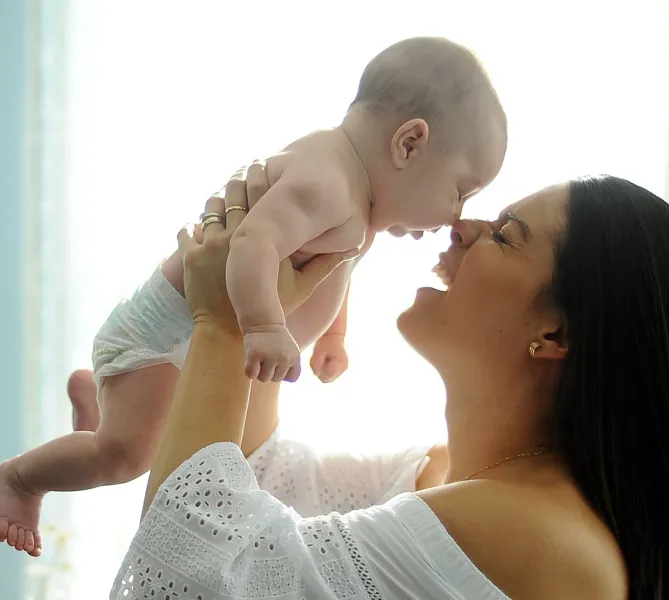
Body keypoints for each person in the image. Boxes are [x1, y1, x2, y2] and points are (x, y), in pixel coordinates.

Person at [111, 174, 669, 599]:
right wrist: (268, 311)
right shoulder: (450, 481)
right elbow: (264, 475)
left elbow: (183, 576)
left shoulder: (536, 535)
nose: (461, 227)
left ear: (557, 332)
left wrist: (223, 323)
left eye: (505, 235)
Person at [0, 36, 508, 554]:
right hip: (160, 341)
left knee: (181, 444)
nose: (456, 217)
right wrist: (264, 326)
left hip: (183, 351)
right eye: (461, 190)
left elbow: (339, 269)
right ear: (409, 143)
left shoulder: (358, 205)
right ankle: (19, 480)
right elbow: (251, 245)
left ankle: (101, 402)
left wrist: (334, 333)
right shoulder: (328, 184)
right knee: (125, 457)